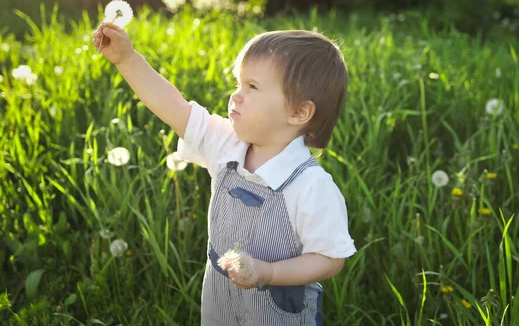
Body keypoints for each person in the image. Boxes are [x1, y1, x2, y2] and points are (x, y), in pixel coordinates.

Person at [92, 21, 357, 326]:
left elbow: (329, 258)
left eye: (252, 87)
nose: (236, 96)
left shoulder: (311, 186)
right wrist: (127, 59)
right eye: (237, 84)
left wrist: (269, 273)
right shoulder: (226, 144)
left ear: (299, 112)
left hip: (278, 314)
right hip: (220, 306)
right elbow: (174, 107)